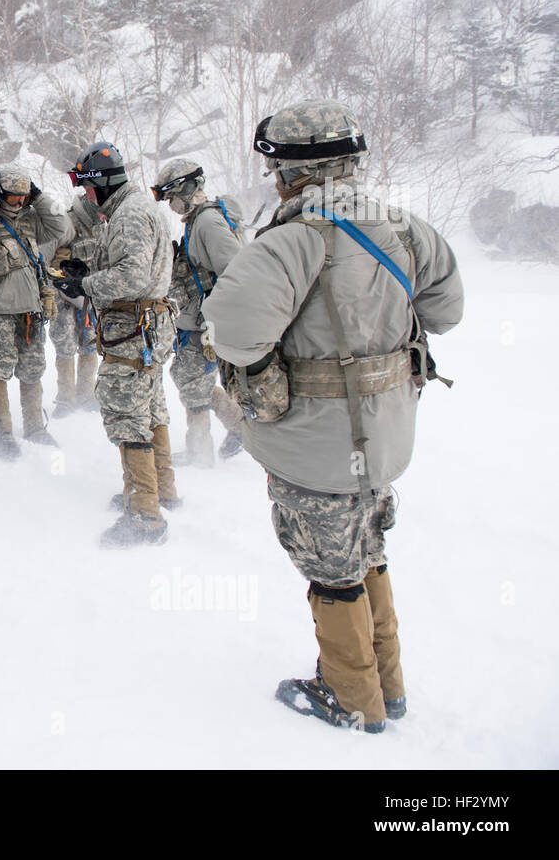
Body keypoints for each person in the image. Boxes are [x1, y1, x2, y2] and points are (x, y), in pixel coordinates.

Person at [203, 99, 463, 732]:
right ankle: (388, 686)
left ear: (291, 172)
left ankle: (352, 700)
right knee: (367, 547)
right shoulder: (406, 229)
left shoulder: (291, 243)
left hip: (314, 447)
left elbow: (233, 332)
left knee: (329, 566)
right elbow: (447, 312)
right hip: (385, 436)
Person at [52, 142, 177, 544]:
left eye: (87, 188)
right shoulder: (136, 208)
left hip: (133, 328)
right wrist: (87, 267)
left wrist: (83, 283)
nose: (86, 196)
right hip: (149, 325)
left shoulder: (130, 215)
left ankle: (144, 515)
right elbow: (130, 265)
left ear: (102, 184)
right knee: (150, 408)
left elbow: (133, 276)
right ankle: (160, 489)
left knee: (128, 415)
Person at [0, 163, 72, 458]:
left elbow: (61, 227)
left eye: (24, 196)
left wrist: (38, 196)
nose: (19, 202)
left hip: (30, 311)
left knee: (33, 370)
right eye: (13, 196)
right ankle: (2, 432)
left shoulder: (30, 218)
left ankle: (34, 427)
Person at [151, 158, 247, 467]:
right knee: (189, 378)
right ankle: (235, 428)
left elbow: (235, 271)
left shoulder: (207, 222)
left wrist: (213, 318)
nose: (171, 205)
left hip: (206, 321)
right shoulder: (200, 220)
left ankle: (202, 451)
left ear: (187, 189)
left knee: (192, 382)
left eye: (172, 197)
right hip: (201, 318)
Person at [49, 179, 102, 416]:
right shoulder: (68, 222)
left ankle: (86, 394)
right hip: (65, 294)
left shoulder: (103, 226)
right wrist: (65, 273)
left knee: (90, 341)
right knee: (65, 341)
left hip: (90, 294)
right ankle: (66, 398)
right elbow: (56, 258)